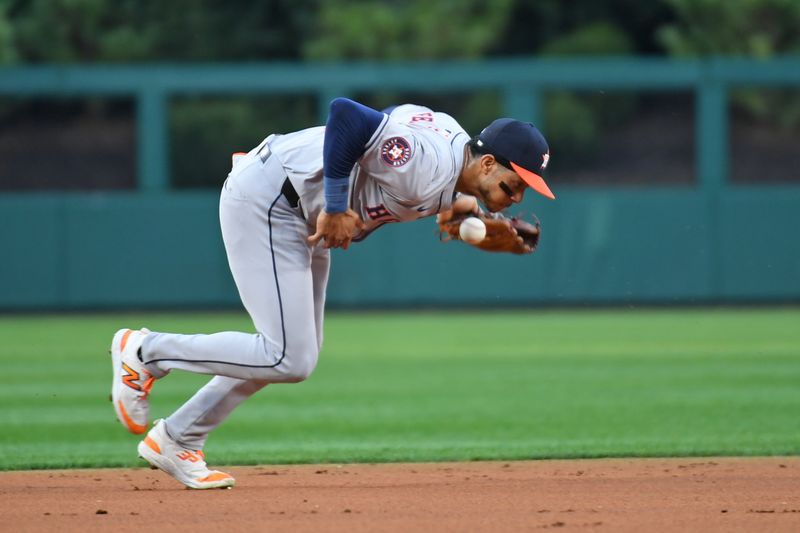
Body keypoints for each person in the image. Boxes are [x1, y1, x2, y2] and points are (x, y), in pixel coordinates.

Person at [109, 98, 554, 489]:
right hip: (270, 200)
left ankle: (179, 437)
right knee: (288, 356)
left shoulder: (453, 159)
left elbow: (394, 122)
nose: (516, 198)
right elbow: (347, 115)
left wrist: (458, 212)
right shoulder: (428, 161)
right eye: (515, 184)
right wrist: (338, 204)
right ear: (489, 162)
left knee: (293, 353)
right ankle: (145, 352)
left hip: (298, 209)